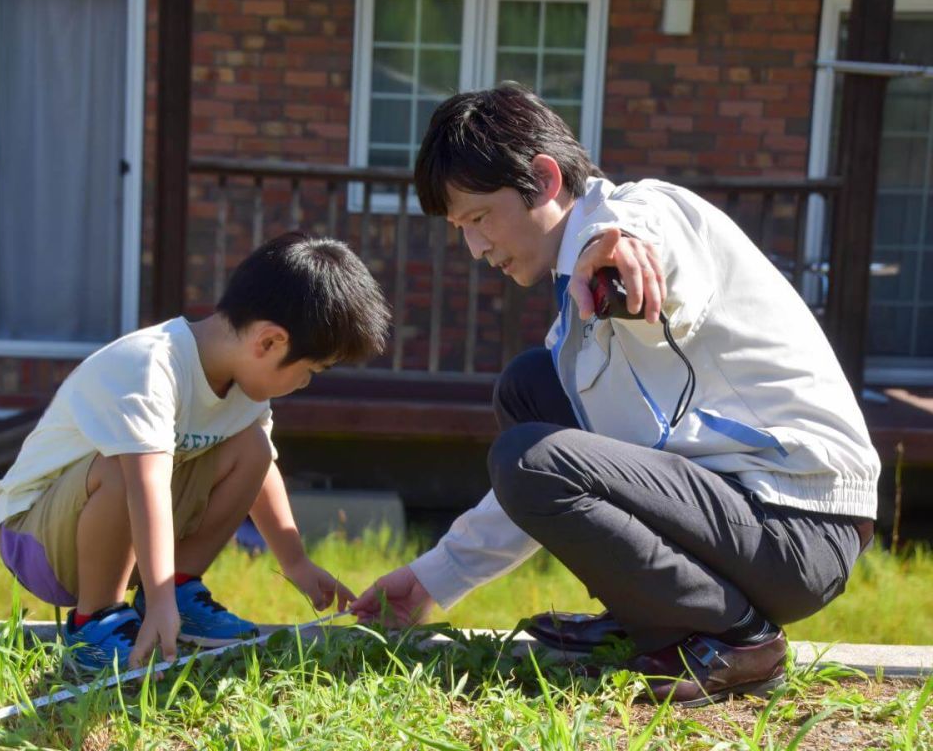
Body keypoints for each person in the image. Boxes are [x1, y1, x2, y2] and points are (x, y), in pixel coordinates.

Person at [351, 83, 879, 706]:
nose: (476, 248)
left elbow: (645, 237)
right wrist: (431, 579)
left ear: (545, 180)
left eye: (479, 218)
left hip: (796, 525)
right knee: (530, 390)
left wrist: (618, 239)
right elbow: (556, 485)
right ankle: (656, 617)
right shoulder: (574, 328)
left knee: (529, 454)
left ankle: (741, 640)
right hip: (730, 518)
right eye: (461, 229)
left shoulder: (651, 213)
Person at [0, 232, 391, 671]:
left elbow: (260, 474)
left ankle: (180, 585)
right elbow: (144, 487)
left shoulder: (245, 389)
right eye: (309, 370)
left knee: (254, 447)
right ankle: (95, 620)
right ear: (269, 342)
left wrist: (294, 561)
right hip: (34, 540)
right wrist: (158, 601)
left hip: (117, 532)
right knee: (127, 468)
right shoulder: (151, 366)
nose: (305, 384)